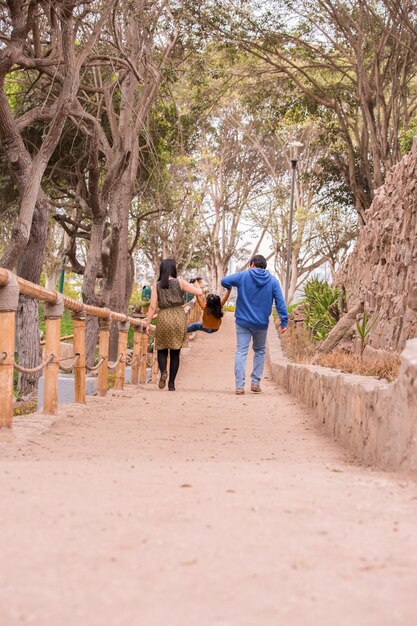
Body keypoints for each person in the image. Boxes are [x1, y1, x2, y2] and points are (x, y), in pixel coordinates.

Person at [221, 254, 288, 395]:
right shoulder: (273, 281)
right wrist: (284, 321)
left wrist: (229, 287)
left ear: (252, 264)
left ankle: (239, 386)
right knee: (260, 351)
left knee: (241, 351)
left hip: (243, 322)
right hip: (261, 323)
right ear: (265, 267)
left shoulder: (242, 276)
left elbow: (224, 281)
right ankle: (255, 382)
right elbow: (280, 302)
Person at [145, 259, 203, 391]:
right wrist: (196, 284)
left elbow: (152, 306)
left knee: (161, 349)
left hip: (164, 317)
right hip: (178, 316)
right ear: (173, 269)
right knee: (175, 352)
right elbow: (199, 293)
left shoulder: (157, 285)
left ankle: (163, 371)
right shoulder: (180, 282)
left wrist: (147, 323)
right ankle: (171, 384)